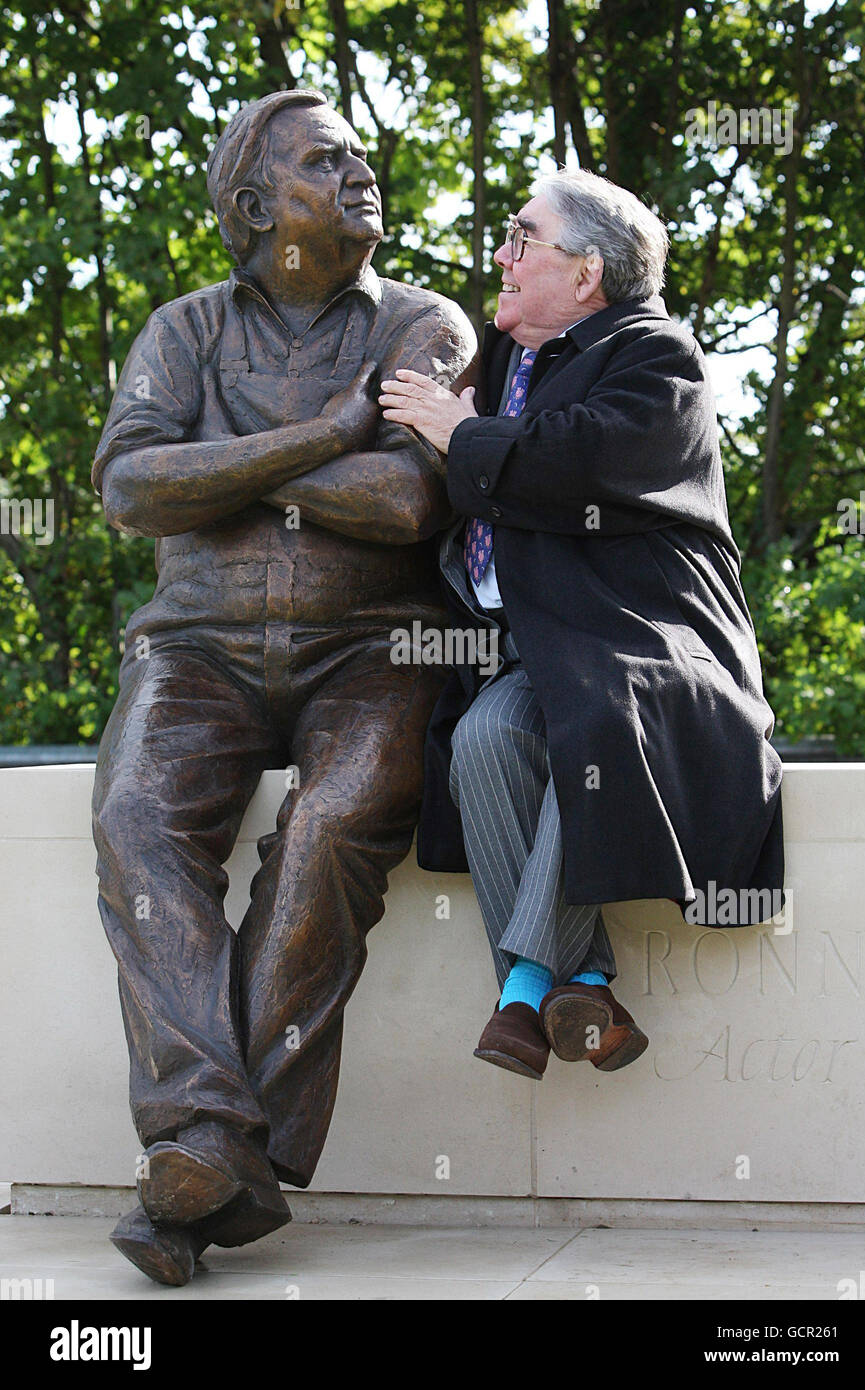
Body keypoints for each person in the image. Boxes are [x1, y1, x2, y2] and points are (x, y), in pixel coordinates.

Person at [90, 89, 475, 1285]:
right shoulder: (182, 330)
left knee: (331, 821)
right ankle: (209, 1144)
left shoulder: (422, 324)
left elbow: (410, 500)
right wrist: (323, 440)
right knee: (133, 817)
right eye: (326, 159)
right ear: (257, 206)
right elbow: (130, 490)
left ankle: (200, 1156)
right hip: (192, 646)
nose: (362, 173)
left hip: (374, 646)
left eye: (362, 157)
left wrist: (223, 471)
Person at [380, 169, 784, 1083]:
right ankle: (588, 982)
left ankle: (522, 991)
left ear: (587, 274)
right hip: (533, 651)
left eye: (523, 238)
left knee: (598, 720)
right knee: (481, 739)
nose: (501, 256)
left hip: (647, 637)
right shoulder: (489, 358)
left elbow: (583, 461)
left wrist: (462, 435)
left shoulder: (653, 353)